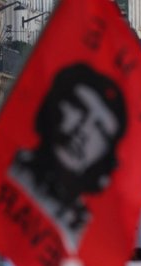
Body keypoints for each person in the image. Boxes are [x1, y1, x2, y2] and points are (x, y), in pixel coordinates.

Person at [8, 64, 127, 250]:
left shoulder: (89, 233)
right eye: (79, 109)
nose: (83, 131)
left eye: (99, 129)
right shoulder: (6, 173)